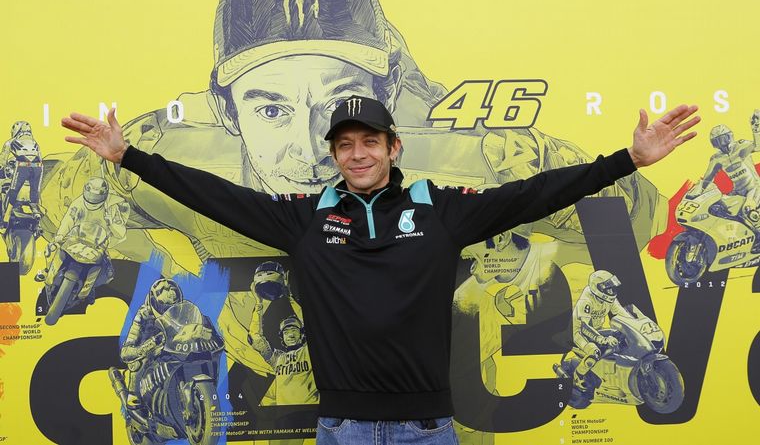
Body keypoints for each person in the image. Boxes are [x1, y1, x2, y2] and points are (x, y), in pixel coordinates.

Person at [61, 95, 697, 443]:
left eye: (370, 141)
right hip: (340, 429)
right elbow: (214, 196)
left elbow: (537, 194)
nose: (358, 154)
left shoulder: (442, 211)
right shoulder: (304, 218)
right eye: (345, 145)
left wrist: (628, 161)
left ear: (394, 147)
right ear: (335, 155)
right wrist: (128, 157)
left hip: (429, 429)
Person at [40, 0, 665, 279]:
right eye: (272, 108)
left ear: (387, 100)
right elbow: (58, 197)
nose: (312, 145)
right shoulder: (182, 160)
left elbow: (632, 218)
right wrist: (118, 164)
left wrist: (625, 166)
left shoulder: (458, 176)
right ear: (228, 112)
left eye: (338, 105)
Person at [693, 112, 760, 249]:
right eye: (718, 141)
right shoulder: (717, 159)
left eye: (724, 138)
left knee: (748, 209)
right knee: (720, 208)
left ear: (730, 136)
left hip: (754, 188)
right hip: (737, 191)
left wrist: (756, 129)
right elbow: (707, 179)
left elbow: (757, 146)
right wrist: (697, 192)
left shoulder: (740, 146)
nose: (723, 143)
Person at [119, 278, 184, 409]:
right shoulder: (143, 315)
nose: (167, 312)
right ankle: (134, 394)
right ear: (154, 301)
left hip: (175, 350)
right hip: (152, 353)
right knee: (140, 362)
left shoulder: (184, 312)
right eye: (164, 307)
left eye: (172, 308)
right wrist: (150, 345)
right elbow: (126, 352)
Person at [570, 270, 634, 391]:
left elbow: (621, 312)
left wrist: (635, 324)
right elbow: (585, 327)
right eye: (608, 289)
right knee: (594, 353)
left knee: (621, 336)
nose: (612, 291)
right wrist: (603, 339)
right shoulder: (586, 301)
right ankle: (577, 377)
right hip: (579, 333)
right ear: (598, 288)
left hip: (597, 330)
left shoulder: (609, 299)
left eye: (613, 288)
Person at [0, 120, 43, 229]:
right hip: (38, 167)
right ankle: (35, 211)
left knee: (13, 190)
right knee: (35, 190)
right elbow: (40, 158)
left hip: (23, 166)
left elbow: (2, 160)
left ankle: (6, 218)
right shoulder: (35, 142)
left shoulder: (11, 141)